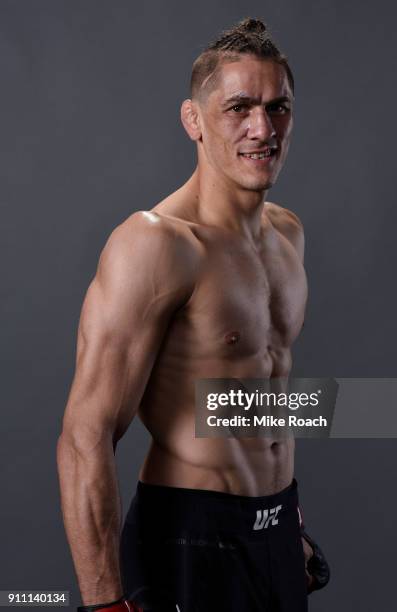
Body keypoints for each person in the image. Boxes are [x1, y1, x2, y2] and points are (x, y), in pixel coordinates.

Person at [57, 18, 329, 612]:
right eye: (239, 108)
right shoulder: (155, 244)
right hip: (188, 539)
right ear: (194, 120)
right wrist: (105, 605)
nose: (263, 129)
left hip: (276, 531)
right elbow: (85, 436)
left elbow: (256, 392)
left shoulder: (288, 235)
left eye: (278, 107)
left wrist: (287, 519)